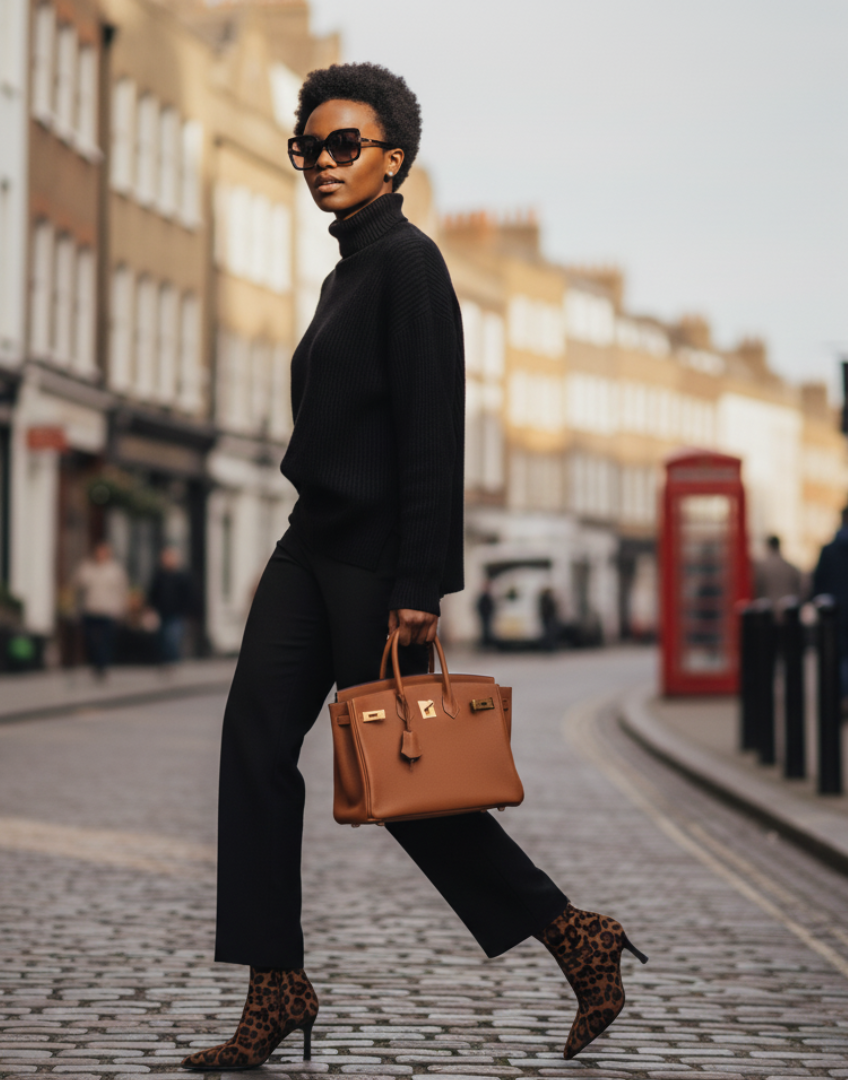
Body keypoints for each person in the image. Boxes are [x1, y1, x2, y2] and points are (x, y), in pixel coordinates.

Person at [180, 63, 646, 1073]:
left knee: (405, 783)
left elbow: (434, 438)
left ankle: (575, 933)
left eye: (344, 145)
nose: (321, 164)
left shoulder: (411, 265)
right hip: (310, 547)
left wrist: (416, 588)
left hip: (374, 559)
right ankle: (276, 981)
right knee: (252, 749)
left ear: (395, 158)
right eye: (308, 147)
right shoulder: (344, 273)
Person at [72, 541, 128, 679]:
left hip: (109, 610)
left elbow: (122, 590)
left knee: (106, 640)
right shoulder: (87, 567)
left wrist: (122, 608)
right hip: (90, 609)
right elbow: (76, 585)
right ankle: (96, 663)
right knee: (91, 640)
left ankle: (103, 666)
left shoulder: (115, 570)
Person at [811, 509, 848, 691]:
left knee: (838, 655)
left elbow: (818, 583)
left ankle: (841, 694)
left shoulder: (829, 550)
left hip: (835, 612)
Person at [147, 546, 197, 663]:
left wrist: (187, 611)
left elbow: (188, 595)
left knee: (173, 638)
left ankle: (173, 661)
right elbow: (153, 593)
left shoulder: (182, 576)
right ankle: (166, 661)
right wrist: (151, 608)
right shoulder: (159, 576)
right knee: (163, 638)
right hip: (162, 613)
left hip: (177, 613)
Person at [753, 535, 803, 607]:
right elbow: (799, 587)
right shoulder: (790, 567)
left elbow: (756, 586)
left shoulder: (761, 567)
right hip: (787, 607)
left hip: (768, 608)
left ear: (768, 546)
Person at [476, 576, 495, 649]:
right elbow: (479, 606)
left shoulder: (488, 596)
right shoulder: (483, 597)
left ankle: (487, 643)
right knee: (485, 630)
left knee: (488, 630)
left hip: (488, 616)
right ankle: (485, 644)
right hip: (484, 616)